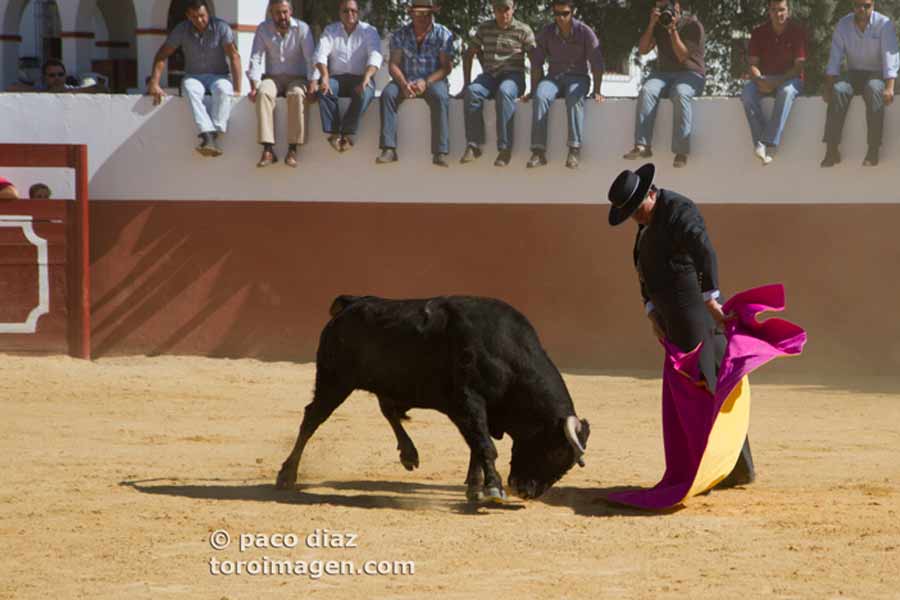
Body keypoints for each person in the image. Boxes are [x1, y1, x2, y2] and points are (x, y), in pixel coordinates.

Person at [606, 164, 756, 488]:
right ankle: (729, 467)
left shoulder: (678, 209)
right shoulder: (647, 221)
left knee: (703, 384)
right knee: (703, 385)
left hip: (693, 310)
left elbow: (704, 250)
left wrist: (712, 298)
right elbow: (642, 268)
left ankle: (723, 467)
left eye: (636, 209)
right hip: (673, 315)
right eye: (630, 213)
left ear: (650, 192)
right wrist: (650, 311)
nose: (635, 217)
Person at [147, 0, 242, 157]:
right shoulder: (181, 29)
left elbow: (234, 56)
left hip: (219, 76)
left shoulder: (221, 27)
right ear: (188, 16)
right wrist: (154, 83)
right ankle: (207, 133)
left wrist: (238, 88)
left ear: (208, 13)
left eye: (202, 16)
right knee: (190, 89)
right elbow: (162, 54)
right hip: (194, 76)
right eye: (194, 16)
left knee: (224, 89)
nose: (199, 20)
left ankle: (214, 132)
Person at [623, 0, 705, 169]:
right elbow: (643, 49)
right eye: (659, 7)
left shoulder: (692, 25)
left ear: (677, 5)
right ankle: (642, 145)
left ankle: (681, 152)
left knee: (680, 93)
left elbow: (682, 56)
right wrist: (652, 25)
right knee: (647, 90)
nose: (663, 11)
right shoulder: (659, 24)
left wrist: (672, 29)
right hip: (664, 74)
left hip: (691, 74)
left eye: (666, 6)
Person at [526, 0, 604, 169]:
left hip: (578, 77)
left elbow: (597, 63)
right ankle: (538, 152)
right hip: (553, 77)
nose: (561, 18)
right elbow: (536, 62)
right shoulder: (547, 32)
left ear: (572, 13)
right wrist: (532, 90)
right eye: (557, 14)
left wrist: (598, 90)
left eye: (565, 13)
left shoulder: (585, 32)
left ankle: (574, 149)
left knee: (574, 98)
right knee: (540, 96)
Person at [821, 0, 898, 167]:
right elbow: (834, 59)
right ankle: (831, 148)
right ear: (852, 5)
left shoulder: (884, 24)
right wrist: (828, 88)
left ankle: (873, 149)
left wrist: (890, 87)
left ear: (874, 4)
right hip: (853, 73)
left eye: (867, 5)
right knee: (838, 90)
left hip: (875, 73)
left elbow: (890, 57)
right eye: (858, 5)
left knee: (873, 89)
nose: (862, 9)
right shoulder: (843, 24)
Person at [377, 0, 454, 167]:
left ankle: (440, 151)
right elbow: (393, 65)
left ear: (432, 13)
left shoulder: (443, 33)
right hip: (405, 79)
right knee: (387, 95)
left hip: (433, 80)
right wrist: (404, 84)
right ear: (411, 13)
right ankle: (389, 148)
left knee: (441, 97)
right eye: (418, 13)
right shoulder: (400, 34)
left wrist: (426, 82)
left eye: (426, 13)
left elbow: (446, 68)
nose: (422, 17)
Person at [459, 0, 535, 167]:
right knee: (472, 92)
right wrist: (465, 84)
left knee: (505, 92)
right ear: (493, 9)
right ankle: (474, 144)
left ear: (513, 8)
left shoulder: (523, 30)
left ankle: (505, 148)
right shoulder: (485, 28)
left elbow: (535, 59)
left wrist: (534, 89)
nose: (503, 13)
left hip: (513, 77)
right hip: (489, 77)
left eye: (506, 9)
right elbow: (469, 53)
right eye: (498, 9)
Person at [247, 0, 318, 168]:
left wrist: (313, 83)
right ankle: (268, 149)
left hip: (297, 78)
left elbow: (311, 60)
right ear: (272, 13)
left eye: (285, 12)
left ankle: (293, 149)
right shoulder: (263, 29)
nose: (282, 16)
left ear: (291, 11)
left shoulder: (303, 29)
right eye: (278, 13)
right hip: (273, 78)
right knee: (263, 93)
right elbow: (256, 59)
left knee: (296, 95)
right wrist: (254, 85)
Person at [740, 0, 807, 166]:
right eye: (774, 10)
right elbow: (753, 64)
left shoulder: (797, 32)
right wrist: (758, 79)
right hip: (766, 79)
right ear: (769, 12)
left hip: (791, 80)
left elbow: (798, 67)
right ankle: (761, 142)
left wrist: (777, 82)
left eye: (782, 10)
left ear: (788, 11)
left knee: (785, 92)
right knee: (747, 93)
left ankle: (768, 143)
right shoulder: (758, 32)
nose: (778, 14)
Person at [315, 0, 383, 153]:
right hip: (336, 79)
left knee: (366, 92)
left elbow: (375, 55)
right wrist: (324, 77)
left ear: (358, 12)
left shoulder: (369, 31)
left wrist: (367, 78)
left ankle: (347, 131)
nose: (350, 14)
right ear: (340, 13)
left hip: (360, 77)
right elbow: (320, 54)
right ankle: (333, 133)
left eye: (353, 10)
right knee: (324, 89)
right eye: (346, 11)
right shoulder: (330, 30)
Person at [6, 59, 106, 93]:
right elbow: (11, 87)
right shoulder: (41, 90)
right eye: (52, 75)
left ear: (65, 75)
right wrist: (46, 93)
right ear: (44, 77)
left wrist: (68, 92)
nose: (57, 78)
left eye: (60, 74)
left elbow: (102, 89)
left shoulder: (71, 89)